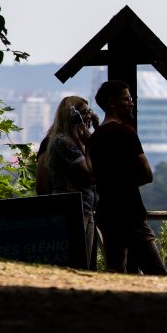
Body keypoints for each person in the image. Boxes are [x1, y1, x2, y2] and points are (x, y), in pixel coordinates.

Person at [86, 80, 167, 275]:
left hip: (106, 211)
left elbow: (93, 174)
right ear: (113, 102)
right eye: (127, 99)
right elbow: (147, 174)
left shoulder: (95, 139)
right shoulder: (126, 132)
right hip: (130, 210)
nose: (131, 103)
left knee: (115, 269)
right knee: (156, 272)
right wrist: (128, 181)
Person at [45, 95, 98, 268]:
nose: (88, 116)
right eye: (83, 113)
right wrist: (89, 145)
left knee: (85, 261)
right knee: (76, 262)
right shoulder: (64, 142)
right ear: (71, 116)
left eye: (89, 111)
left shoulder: (76, 141)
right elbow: (90, 174)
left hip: (85, 207)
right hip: (72, 209)